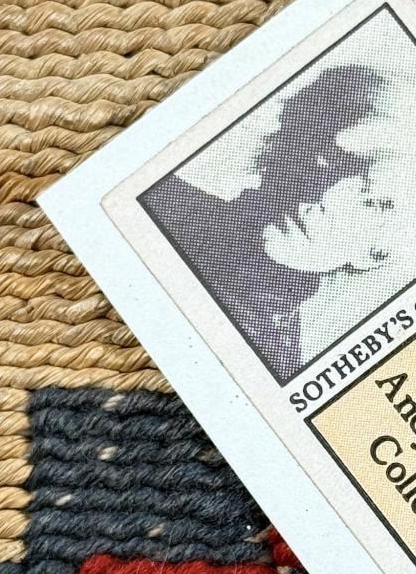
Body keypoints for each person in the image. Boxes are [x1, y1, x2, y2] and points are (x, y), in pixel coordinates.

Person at [141, 63, 389, 382]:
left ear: (375, 254)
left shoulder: (273, 365)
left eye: (370, 199)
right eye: (330, 157)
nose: (328, 189)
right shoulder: (158, 204)